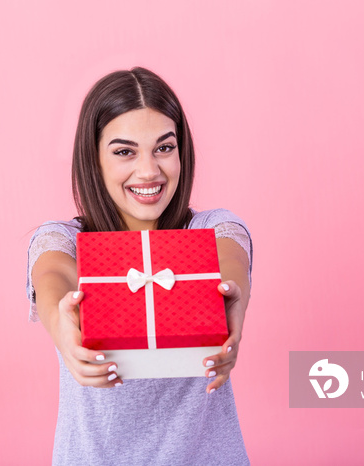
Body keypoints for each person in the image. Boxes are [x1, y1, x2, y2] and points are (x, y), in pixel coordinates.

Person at [26, 67, 253, 465]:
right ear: (93, 159)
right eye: (124, 151)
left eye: (164, 148)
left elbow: (228, 258)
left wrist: (231, 297)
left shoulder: (210, 227)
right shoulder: (64, 239)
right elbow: (53, 274)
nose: (149, 171)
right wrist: (62, 328)